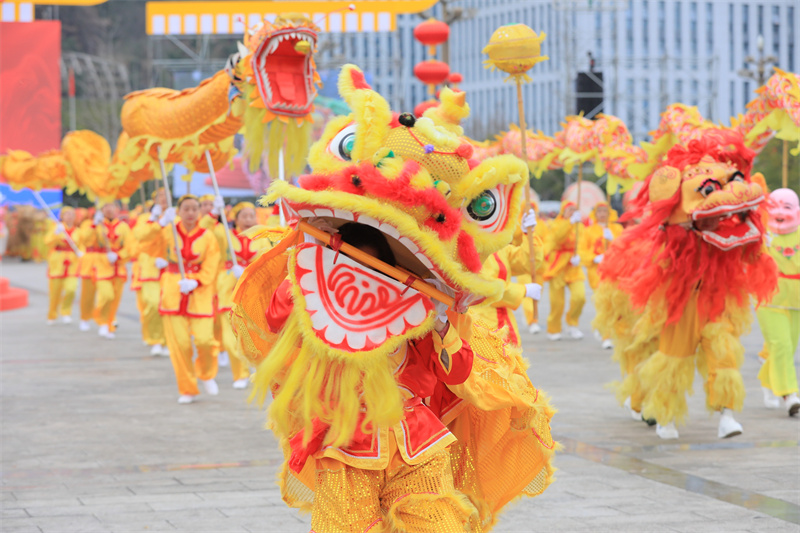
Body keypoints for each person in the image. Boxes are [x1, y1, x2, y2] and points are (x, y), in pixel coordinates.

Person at [265, 221, 477, 532]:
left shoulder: (408, 314)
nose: (363, 277)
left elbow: (457, 371)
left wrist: (441, 324)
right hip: (345, 447)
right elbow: (276, 317)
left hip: (415, 443)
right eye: (352, 267)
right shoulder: (320, 313)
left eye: (373, 269)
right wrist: (310, 256)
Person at [144, 195, 221, 404]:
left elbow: (212, 263)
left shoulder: (207, 236)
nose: (190, 213)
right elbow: (144, 242)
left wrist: (197, 281)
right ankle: (187, 388)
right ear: (178, 211)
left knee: (205, 340)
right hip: (173, 290)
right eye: (186, 208)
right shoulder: (167, 230)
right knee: (180, 345)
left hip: (199, 292)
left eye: (194, 208)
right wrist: (158, 221)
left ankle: (206, 373)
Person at [213, 202, 275, 389]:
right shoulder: (226, 235)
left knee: (254, 335)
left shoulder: (262, 238)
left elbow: (268, 262)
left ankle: (257, 367)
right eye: (244, 216)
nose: (248, 220)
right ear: (236, 218)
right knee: (230, 339)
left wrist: (249, 271)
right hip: (229, 291)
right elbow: (209, 231)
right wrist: (214, 213)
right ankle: (240, 374)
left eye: (251, 216)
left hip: (254, 292)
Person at [757, 188, 800, 416]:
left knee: (787, 348)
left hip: (796, 300)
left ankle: (767, 380)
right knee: (781, 344)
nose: (780, 212)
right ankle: (789, 394)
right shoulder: (761, 234)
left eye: (787, 207)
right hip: (769, 298)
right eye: (775, 207)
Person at [472, 209, 543, 346]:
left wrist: (529, 235)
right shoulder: (470, 247)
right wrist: (523, 290)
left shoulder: (497, 246)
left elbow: (527, 262)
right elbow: (482, 286)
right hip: (479, 322)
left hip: (504, 322)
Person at [579, 201, 624, 349]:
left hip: (615, 272)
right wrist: (594, 258)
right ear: (595, 214)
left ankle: (611, 331)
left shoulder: (617, 229)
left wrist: (613, 239)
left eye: (605, 211)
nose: (602, 214)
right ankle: (606, 336)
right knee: (603, 304)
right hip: (597, 273)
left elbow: (625, 247)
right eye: (599, 211)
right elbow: (582, 250)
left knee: (616, 304)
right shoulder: (588, 231)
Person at [131, 189, 169, 356]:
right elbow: (140, 237)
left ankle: (167, 340)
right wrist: (154, 221)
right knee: (153, 304)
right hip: (150, 267)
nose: (164, 199)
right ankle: (154, 338)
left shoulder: (176, 217)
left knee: (168, 306)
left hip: (170, 268)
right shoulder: (145, 218)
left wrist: (169, 258)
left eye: (166, 196)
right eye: (160, 196)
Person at [542, 201, 586, 340]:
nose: (572, 212)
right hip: (558, 265)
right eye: (569, 209)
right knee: (557, 303)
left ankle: (572, 324)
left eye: (574, 209)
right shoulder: (556, 223)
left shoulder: (579, 226)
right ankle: (554, 329)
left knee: (579, 297)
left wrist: (580, 256)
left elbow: (583, 244)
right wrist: (569, 223)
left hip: (573, 265)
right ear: (563, 211)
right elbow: (558, 238)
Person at [90, 201, 131, 340]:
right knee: (106, 295)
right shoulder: (97, 225)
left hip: (118, 267)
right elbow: (86, 241)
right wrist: (93, 225)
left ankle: (109, 323)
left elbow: (131, 246)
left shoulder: (123, 226)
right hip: (102, 265)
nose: (109, 209)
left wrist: (119, 255)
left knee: (115, 299)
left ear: (117, 208)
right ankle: (102, 321)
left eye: (112, 206)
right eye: (106, 206)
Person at [45, 207, 81, 324]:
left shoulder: (78, 231)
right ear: (62, 216)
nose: (69, 216)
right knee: (55, 292)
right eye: (67, 214)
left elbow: (82, 245)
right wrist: (56, 233)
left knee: (71, 289)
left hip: (72, 264)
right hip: (57, 263)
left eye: (72, 214)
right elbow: (47, 242)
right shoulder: (56, 228)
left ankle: (66, 312)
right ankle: (52, 315)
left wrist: (81, 252)